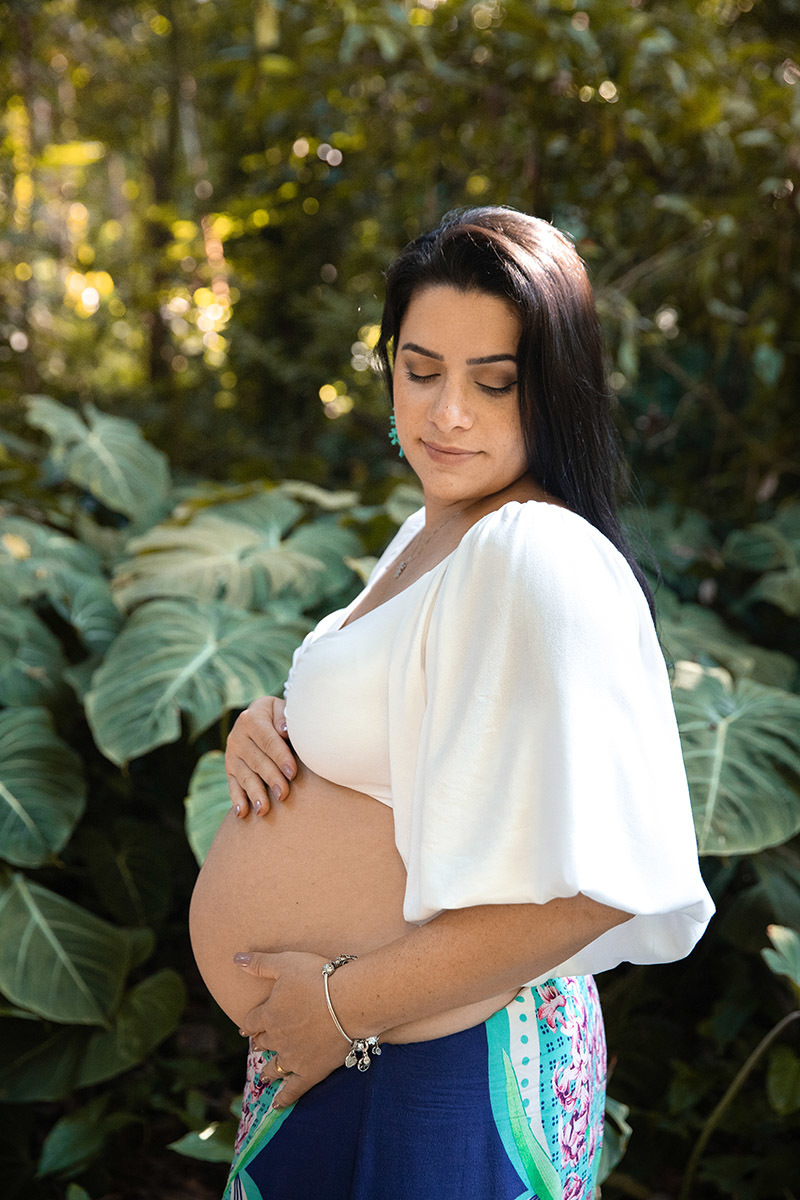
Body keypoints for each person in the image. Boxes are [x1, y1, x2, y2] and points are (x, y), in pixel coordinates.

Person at [189, 206, 715, 1200]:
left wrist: (339, 1006)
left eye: (493, 381)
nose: (447, 413)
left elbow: (603, 881)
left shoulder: (535, 551)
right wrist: (271, 732)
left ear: (551, 391)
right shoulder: (434, 531)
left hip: (442, 1062)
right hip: (364, 1048)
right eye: (419, 368)